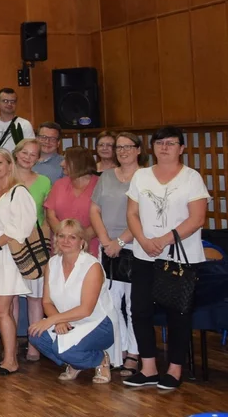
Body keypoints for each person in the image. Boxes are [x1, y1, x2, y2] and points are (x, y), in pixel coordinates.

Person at [123, 126, 210, 391]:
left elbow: (197, 218)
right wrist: (143, 240)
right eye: (160, 143)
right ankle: (148, 368)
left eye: (171, 143)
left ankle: (174, 369)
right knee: (140, 311)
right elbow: (132, 214)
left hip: (180, 257)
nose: (164, 147)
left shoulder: (191, 177)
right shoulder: (141, 176)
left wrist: (164, 240)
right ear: (153, 147)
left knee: (178, 313)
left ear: (181, 148)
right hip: (144, 254)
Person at [27, 219, 115, 383]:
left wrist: (53, 319)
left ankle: (100, 359)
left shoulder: (91, 266)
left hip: (98, 324)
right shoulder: (52, 263)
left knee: (63, 350)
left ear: (82, 242)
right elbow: (47, 302)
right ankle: (75, 362)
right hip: (68, 321)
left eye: (72, 237)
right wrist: (59, 321)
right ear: (56, 239)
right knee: (35, 334)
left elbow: (86, 310)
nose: (66, 241)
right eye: (62, 236)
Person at [0, 147, 37, 377]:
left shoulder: (18, 192)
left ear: (9, 165)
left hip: (9, 256)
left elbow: (21, 226)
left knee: (1, 310)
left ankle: (10, 360)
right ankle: (7, 357)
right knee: (2, 310)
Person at [90, 131, 144, 376]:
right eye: (119, 147)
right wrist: (105, 241)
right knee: (110, 303)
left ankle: (134, 352)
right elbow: (94, 210)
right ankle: (119, 349)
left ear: (138, 150)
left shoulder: (146, 177)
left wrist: (120, 242)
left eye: (128, 147)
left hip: (135, 247)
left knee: (134, 306)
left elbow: (143, 215)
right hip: (108, 247)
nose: (123, 151)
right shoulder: (107, 176)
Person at [14, 137, 52, 359]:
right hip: (9, 244)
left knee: (35, 298)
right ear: (16, 153)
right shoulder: (5, 177)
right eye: (24, 152)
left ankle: (34, 346)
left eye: (33, 154)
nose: (28, 157)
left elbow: (47, 217)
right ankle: (10, 344)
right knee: (9, 297)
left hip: (35, 244)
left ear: (38, 159)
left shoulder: (44, 181)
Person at [45, 147, 100, 255]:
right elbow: (50, 216)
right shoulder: (59, 184)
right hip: (61, 248)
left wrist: (80, 240)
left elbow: (104, 218)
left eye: (66, 160)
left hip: (90, 247)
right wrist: (64, 239)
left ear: (79, 162)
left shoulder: (100, 185)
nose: (61, 164)